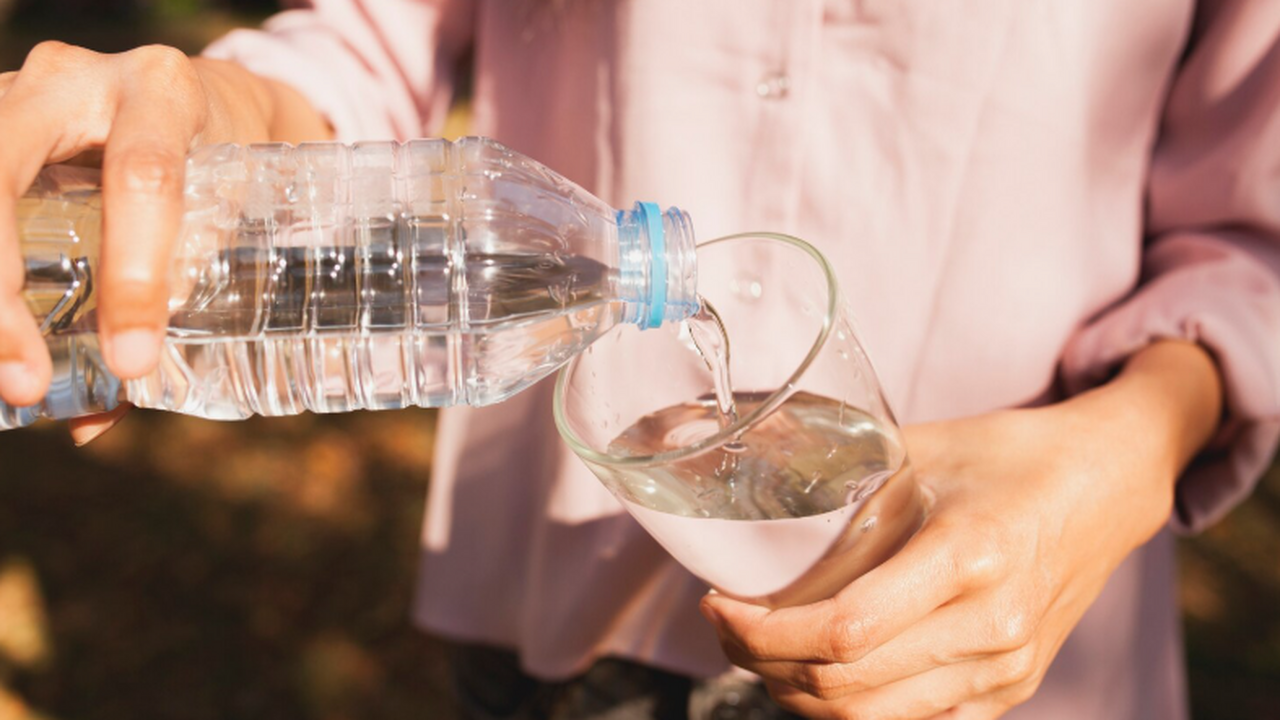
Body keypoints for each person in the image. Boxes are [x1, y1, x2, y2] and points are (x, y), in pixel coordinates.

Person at [1, 1, 1278, 717]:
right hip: (561, 638)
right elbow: (376, 42)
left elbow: (1249, 239)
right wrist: (217, 129)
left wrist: (1131, 446)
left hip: (997, 641)